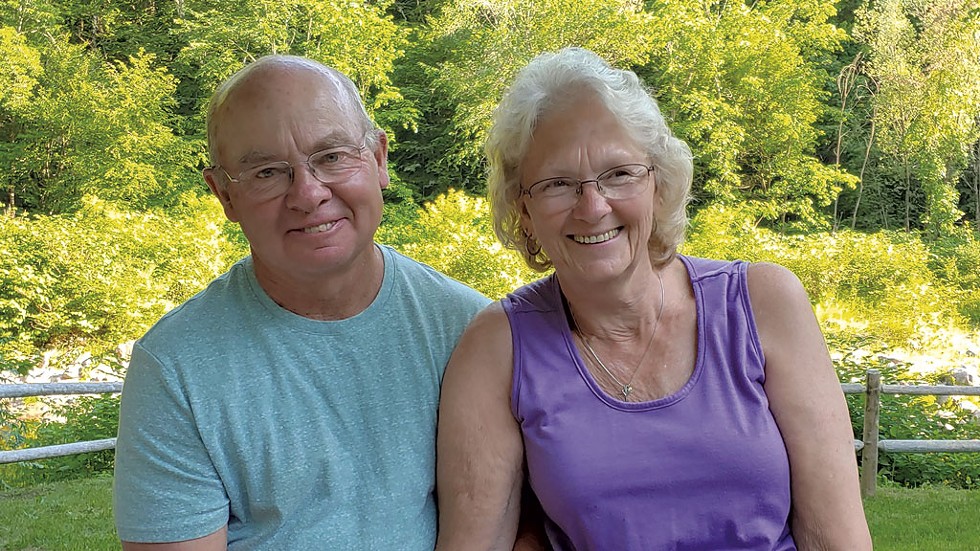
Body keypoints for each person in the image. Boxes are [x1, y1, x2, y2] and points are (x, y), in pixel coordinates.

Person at [434, 47, 873, 550]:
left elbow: (835, 536)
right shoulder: (499, 347)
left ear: (658, 185)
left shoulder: (764, 303)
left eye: (619, 174)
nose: (593, 207)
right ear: (524, 211)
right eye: (558, 184)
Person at [112, 55, 490, 550]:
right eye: (267, 172)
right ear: (224, 195)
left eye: (332, 156)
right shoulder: (177, 367)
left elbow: (515, 521)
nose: (308, 193)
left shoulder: (473, 331)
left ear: (379, 159)